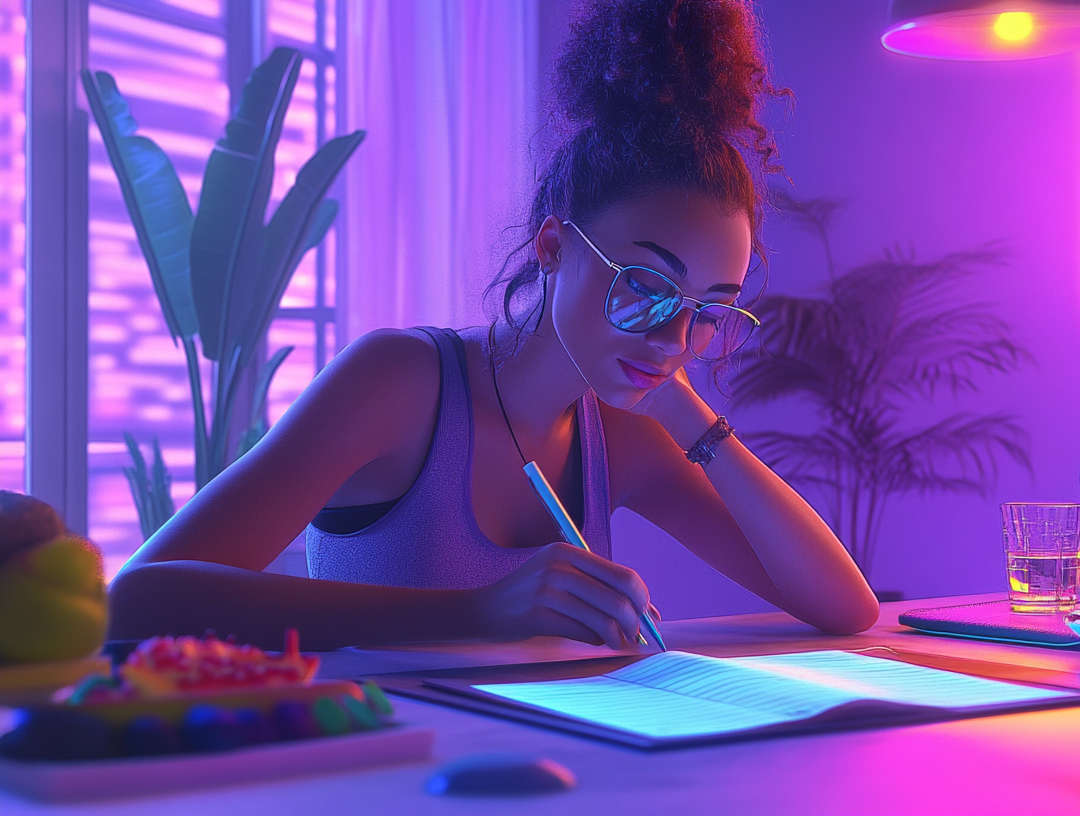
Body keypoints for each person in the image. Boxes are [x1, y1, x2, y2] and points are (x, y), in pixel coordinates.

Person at [110, 0, 878, 651]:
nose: (675, 339)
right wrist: (480, 612)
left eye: (708, 312)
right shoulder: (401, 385)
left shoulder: (625, 430)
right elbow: (137, 602)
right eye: (645, 289)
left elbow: (845, 608)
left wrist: (683, 405)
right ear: (552, 247)